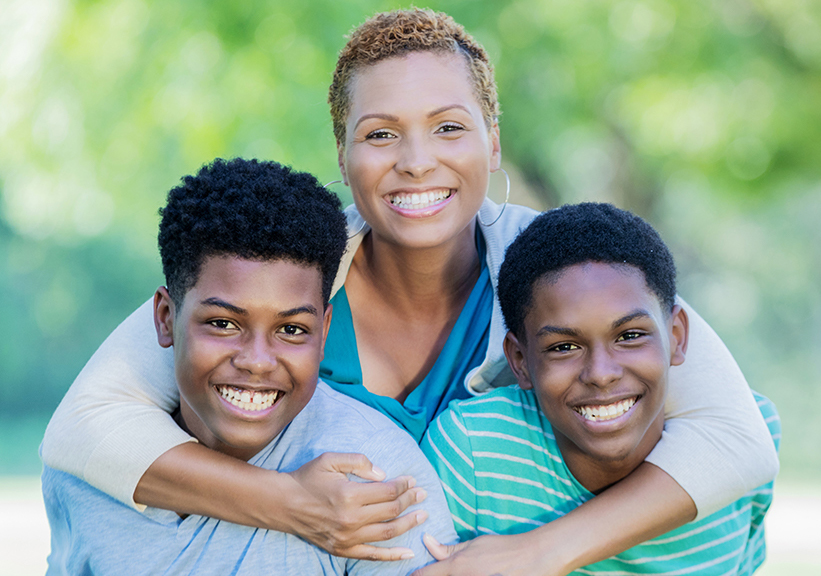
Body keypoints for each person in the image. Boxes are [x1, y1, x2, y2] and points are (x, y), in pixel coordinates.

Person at [41, 8, 778, 575]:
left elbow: (735, 441)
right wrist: (295, 504)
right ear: (343, 153)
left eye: (448, 127)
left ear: (493, 141)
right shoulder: (284, 272)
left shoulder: (553, 268)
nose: (416, 162)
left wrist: (538, 555)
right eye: (381, 134)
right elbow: (85, 429)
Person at [42, 158, 456, 575]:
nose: (257, 361)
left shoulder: (375, 477)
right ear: (166, 318)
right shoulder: (86, 479)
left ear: (324, 331)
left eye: (292, 329)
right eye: (223, 324)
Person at [422, 202, 780, 575]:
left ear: (676, 337)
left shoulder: (757, 429)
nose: (601, 374)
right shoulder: (473, 453)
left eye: (629, 336)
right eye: (564, 347)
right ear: (519, 360)